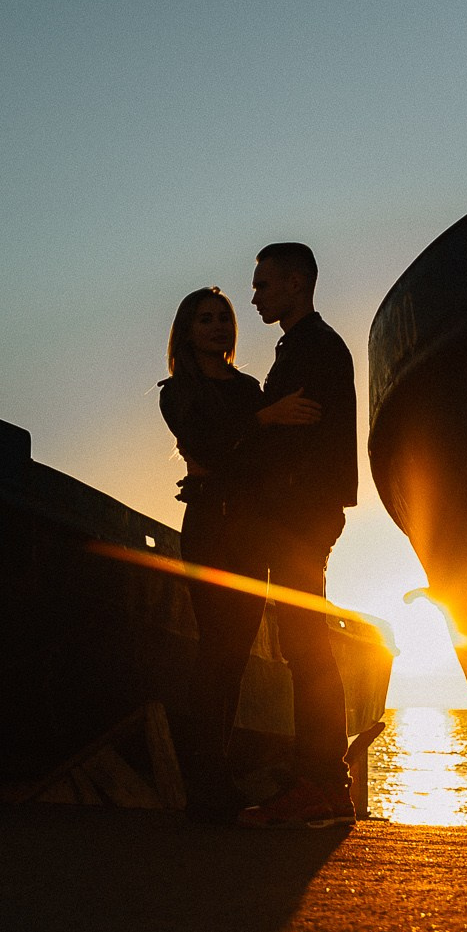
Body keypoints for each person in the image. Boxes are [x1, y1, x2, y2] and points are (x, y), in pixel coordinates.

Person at [156, 287, 321, 823]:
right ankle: (204, 781)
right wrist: (262, 423)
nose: (218, 327)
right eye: (205, 319)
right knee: (216, 652)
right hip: (209, 526)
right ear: (187, 330)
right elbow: (206, 443)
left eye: (224, 319)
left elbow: (255, 460)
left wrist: (252, 436)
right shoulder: (177, 390)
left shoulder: (251, 388)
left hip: (250, 529)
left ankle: (217, 777)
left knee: (239, 655)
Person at [230, 241, 358, 829]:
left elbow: (290, 441)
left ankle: (324, 783)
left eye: (263, 284)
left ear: (296, 283)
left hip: (299, 515)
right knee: (302, 642)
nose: (254, 294)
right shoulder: (303, 346)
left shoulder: (313, 348)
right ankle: (325, 781)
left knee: (305, 645)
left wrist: (249, 433)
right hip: (303, 512)